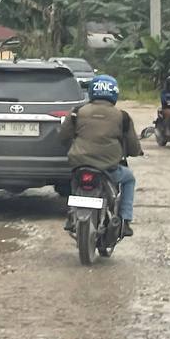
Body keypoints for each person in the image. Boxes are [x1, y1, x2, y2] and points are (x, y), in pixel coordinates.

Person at [59, 74, 143, 236]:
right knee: (129, 178)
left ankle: (71, 215)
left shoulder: (77, 112)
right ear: (114, 93)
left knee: (74, 182)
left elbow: (63, 137)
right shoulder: (122, 116)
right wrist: (135, 152)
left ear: (92, 92)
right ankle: (125, 220)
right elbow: (132, 147)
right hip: (108, 167)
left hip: (80, 163)